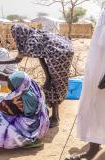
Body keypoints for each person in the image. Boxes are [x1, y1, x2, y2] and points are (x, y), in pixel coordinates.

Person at [0, 24, 74, 128]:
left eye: (15, 36)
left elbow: (18, 60)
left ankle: (55, 118)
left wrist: (48, 77)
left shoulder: (31, 42)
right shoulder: (35, 35)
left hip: (59, 55)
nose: (15, 38)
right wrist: (48, 77)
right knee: (54, 83)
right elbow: (42, 56)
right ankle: (55, 115)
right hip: (65, 50)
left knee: (54, 84)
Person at [0, 66, 49, 149]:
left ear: (17, 86)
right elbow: (4, 76)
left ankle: (27, 140)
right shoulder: (28, 83)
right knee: (6, 109)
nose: (8, 84)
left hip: (30, 124)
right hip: (39, 117)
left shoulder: (19, 100)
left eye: (10, 84)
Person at [65, 11, 105, 160]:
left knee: (98, 107)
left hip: (102, 72)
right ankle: (94, 148)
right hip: (97, 70)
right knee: (95, 108)